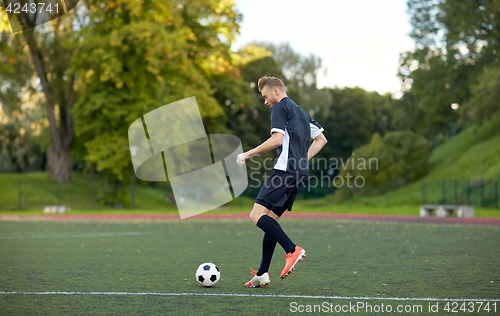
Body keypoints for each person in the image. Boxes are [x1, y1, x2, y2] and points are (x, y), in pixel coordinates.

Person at [236, 76, 327, 287]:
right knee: (270, 219)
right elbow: (322, 139)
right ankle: (262, 273)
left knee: (256, 215)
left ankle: (292, 249)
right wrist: (303, 159)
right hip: (299, 173)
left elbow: (276, 139)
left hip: (285, 171)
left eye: (265, 96)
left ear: (276, 91)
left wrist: (247, 154)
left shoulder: (279, 108)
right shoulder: (301, 112)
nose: (265, 101)